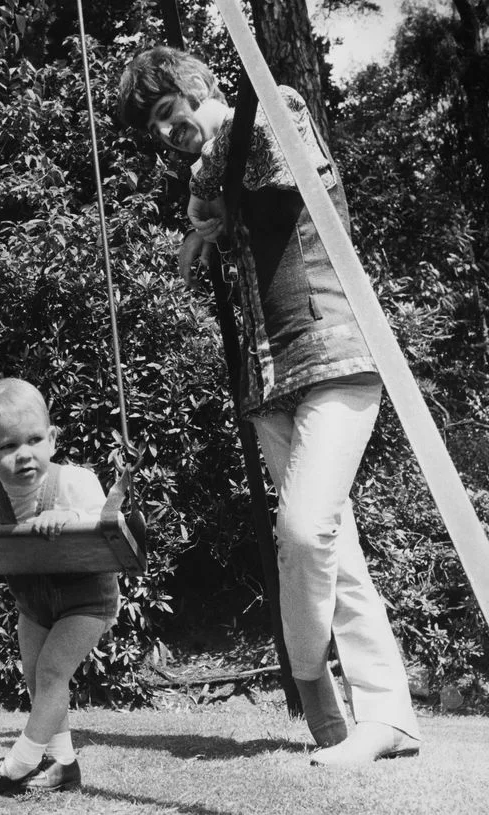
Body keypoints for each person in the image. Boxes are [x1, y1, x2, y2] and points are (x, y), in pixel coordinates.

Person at [116, 46, 420, 767]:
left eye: (167, 111)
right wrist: (202, 213)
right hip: (270, 382)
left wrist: (202, 202)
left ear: (196, 85)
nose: (166, 132)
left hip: (336, 354)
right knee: (334, 551)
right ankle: (388, 717)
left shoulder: (273, 108)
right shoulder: (210, 169)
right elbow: (218, 191)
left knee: (306, 529)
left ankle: (309, 670)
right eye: (153, 127)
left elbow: (274, 168)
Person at [0, 378, 120, 793]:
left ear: (53, 439)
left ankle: (17, 765)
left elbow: (105, 525)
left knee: (52, 670)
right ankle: (64, 764)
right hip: (33, 602)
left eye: (34, 440)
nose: (23, 454)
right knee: (35, 677)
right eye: (7, 447)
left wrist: (69, 518)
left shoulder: (74, 481)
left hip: (86, 596)